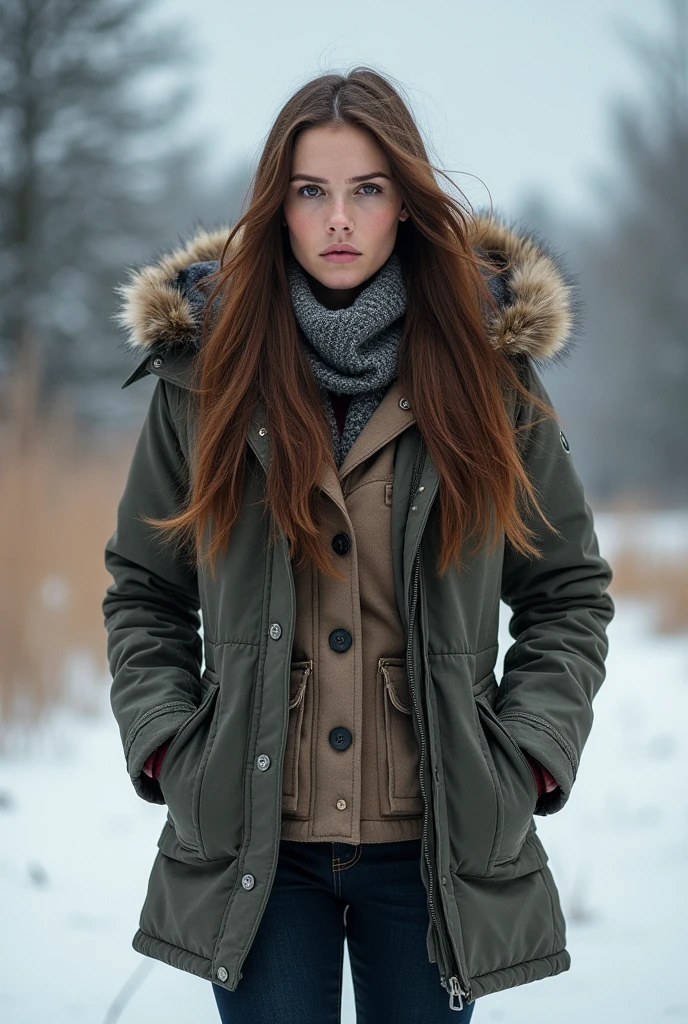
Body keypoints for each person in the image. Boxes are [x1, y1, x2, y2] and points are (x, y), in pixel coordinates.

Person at [103, 67, 614, 1023]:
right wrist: (173, 746)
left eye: (367, 190)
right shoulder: (203, 378)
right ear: (278, 206)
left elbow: (568, 590)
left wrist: (531, 753)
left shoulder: (491, 375)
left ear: (406, 205)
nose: (339, 218)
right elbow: (142, 587)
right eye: (312, 191)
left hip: (436, 846)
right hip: (259, 848)